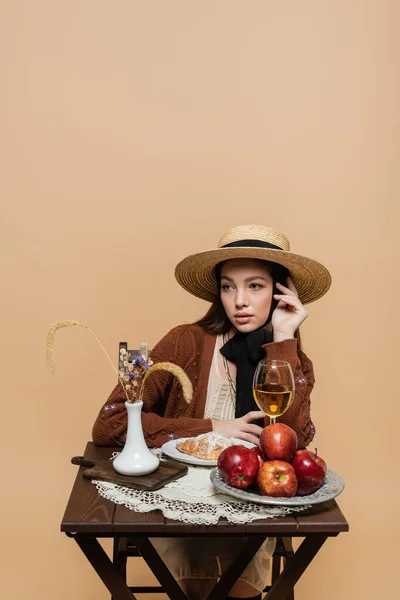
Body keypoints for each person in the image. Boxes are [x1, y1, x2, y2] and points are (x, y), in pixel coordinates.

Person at [92, 224, 331, 600]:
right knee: (197, 571)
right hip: (177, 500)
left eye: (255, 285)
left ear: (280, 292)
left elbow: (295, 440)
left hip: (250, 503)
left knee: (240, 565)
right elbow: (109, 425)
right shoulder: (182, 340)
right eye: (228, 286)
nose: (239, 301)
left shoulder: (292, 360)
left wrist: (284, 340)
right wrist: (212, 427)